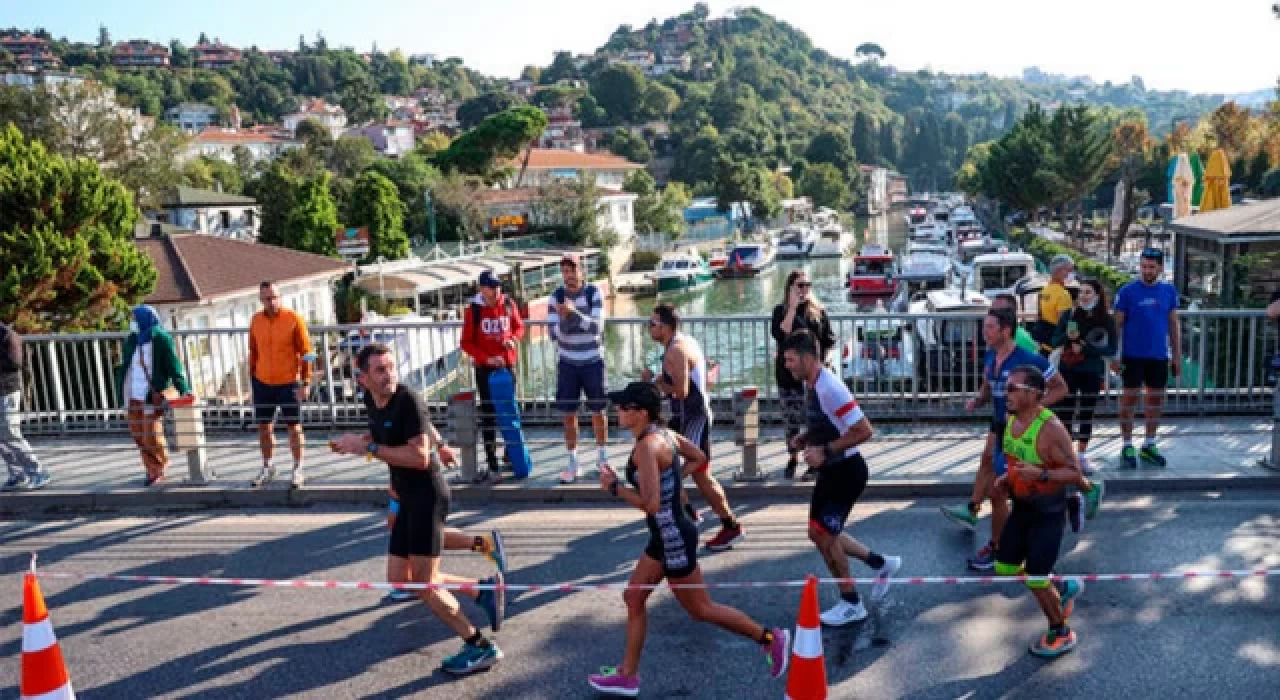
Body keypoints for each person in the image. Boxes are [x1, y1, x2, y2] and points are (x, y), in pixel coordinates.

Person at [589, 382, 790, 696]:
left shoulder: (647, 446)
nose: (617, 412)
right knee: (633, 597)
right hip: (665, 535)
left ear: (640, 413)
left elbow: (651, 503)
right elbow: (697, 457)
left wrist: (615, 487)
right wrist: (671, 479)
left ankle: (769, 639)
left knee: (701, 610)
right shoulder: (664, 435)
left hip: (672, 539)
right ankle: (628, 675)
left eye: (623, 407)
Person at [331, 343, 505, 675]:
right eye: (380, 370)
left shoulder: (407, 399)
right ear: (363, 377)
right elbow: (390, 432)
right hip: (406, 495)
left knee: (424, 585)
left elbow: (418, 457)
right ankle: (480, 588)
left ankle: (479, 646)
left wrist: (366, 448)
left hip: (426, 495)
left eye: (391, 367)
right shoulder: (372, 399)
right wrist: (356, 441)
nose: (388, 375)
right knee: (401, 579)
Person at [782, 331, 902, 625]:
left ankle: (851, 602)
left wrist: (825, 450)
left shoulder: (830, 388)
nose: (787, 365)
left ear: (809, 357)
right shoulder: (814, 383)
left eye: (791, 359)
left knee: (826, 533)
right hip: (831, 471)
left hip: (846, 473)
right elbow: (832, 423)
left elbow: (864, 430)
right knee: (816, 532)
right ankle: (881, 563)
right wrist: (808, 437)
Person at [941, 308, 1067, 571]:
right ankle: (1061, 508)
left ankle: (998, 548)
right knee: (1006, 490)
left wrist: (1032, 408)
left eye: (989, 327)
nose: (983, 332)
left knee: (1000, 492)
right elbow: (989, 384)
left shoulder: (1028, 361)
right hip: (1002, 430)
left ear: (1006, 330)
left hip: (1022, 433)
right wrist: (979, 400)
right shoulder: (990, 356)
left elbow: (1060, 387)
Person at [993, 364, 1089, 659]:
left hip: (1048, 512)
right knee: (1005, 566)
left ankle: (1060, 630)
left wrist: (1043, 475)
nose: (1004, 393)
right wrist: (1006, 480)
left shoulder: (1051, 429)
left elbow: (1074, 473)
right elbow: (1014, 460)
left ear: (1034, 394)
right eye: (1005, 387)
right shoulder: (1010, 420)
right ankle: (1060, 587)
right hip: (1021, 507)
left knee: (1035, 576)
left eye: (1012, 388)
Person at [642, 303, 745, 551]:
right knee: (674, 468)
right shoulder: (681, 342)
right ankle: (690, 512)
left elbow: (681, 391)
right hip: (684, 416)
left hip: (694, 417)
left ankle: (730, 525)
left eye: (652, 324)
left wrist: (655, 382)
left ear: (665, 328)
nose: (649, 329)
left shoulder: (675, 351)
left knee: (693, 472)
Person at [1050, 277, 1114, 526]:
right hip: (1067, 370)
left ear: (1098, 295)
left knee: (1086, 412)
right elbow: (1055, 340)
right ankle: (1066, 455)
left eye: (1089, 292)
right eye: (1082, 292)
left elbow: (1110, 348)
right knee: (1064, 412)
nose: (1084, 296)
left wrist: (1085, 349)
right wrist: (1067, 339)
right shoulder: (1068, 316)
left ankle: (1082, 454)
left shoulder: (1105, 320)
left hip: (1090, 371)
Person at [1112, 249, 1180, 469]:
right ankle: (1126, 443)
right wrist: (1115, 355)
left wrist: (1176, 355)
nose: (1147, 271)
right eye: (1144, 266)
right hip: (1132, 356)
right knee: (1129, 399)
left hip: (1158, 356)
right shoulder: (1127, 292)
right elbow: (1117, 325)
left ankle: (1149, 442)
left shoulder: (1169, 291)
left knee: (1156, 400)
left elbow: (1173, 324)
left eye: (1151, 267)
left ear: (1160, 268)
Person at [382, 485, 509, 604]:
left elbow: (421, 461)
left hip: (412, 487)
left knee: (414, 533)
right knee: (408, 531)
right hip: (407, 486)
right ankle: (484, 546)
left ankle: (482, 589)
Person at [114, 305, 191, 487]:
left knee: (151, 434)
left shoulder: (161, 339)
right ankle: (150, 469)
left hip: (151, 394)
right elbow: (128, 365)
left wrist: (183, 388)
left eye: (135, 319)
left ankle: (159, 466)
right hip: (132, 393)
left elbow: (174, 365)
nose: (132, 322)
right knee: (138, 435)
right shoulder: (132, 339)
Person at [549, 254, 609, 484]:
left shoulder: (594, 293)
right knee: (568, 414)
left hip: (593, 360)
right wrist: (566, 319)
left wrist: (573, 314)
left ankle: (602, 458)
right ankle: (573, 461)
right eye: (564, 271)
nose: (569, 276)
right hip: (568, 363)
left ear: (581, 271)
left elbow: (597, 327)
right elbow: (554, 333)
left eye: (572, 270)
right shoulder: (556, 296)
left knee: (598, 411)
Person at [249, 282, 315, 489]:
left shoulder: (293, 318)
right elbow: (253, 352)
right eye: (267, 298)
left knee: (294, 427)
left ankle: (298, 467)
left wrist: (306, 382)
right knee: (264, 427)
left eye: (275, 297)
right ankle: (268, 466)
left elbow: (307, 352)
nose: (272, 302)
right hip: (262, 382)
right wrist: (252, 381)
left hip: (288, 382)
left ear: (280, 296)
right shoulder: (256, 320)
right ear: (261, 300)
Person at [460, 270, 526, 477]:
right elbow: (466, 342)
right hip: (486, 369)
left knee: (510, 411)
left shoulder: (507, 304)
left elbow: (519, 327)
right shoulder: (474, 310)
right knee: (488, 413)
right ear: (482, 289)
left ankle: (511, 453)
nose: (496, 290)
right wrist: (486, 358)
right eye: (491, 287)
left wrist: (513, 340)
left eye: (497, 286)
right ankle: (491, 458)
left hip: (506, 367)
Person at [771, 269, 836, 480]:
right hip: (789, 375)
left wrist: (825, 361)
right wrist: (792, 307)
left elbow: (829, 340)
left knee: (814, 421)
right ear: (790, 288)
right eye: (800, 285)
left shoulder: (818, 312)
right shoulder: (780, 311)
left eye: (807, 285)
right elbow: (782, 333)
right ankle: (793, 456)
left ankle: (813, 461)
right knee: (791, 420)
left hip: (814, 377)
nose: (804, 289)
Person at [1, 321, 51, 491]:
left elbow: (14, 363)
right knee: (1, 438)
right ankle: (17, 474)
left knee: (10, 433)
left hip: (6, 390)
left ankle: (38, 471)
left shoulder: (7, 334)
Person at [1033, 255, 1076, 355]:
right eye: (1070, 270)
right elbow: (1066, 323)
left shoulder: (1044, 291)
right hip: (1057, 348)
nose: (1072, 273)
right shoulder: (1063, 294)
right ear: (1061, 271)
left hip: (1044, 344)